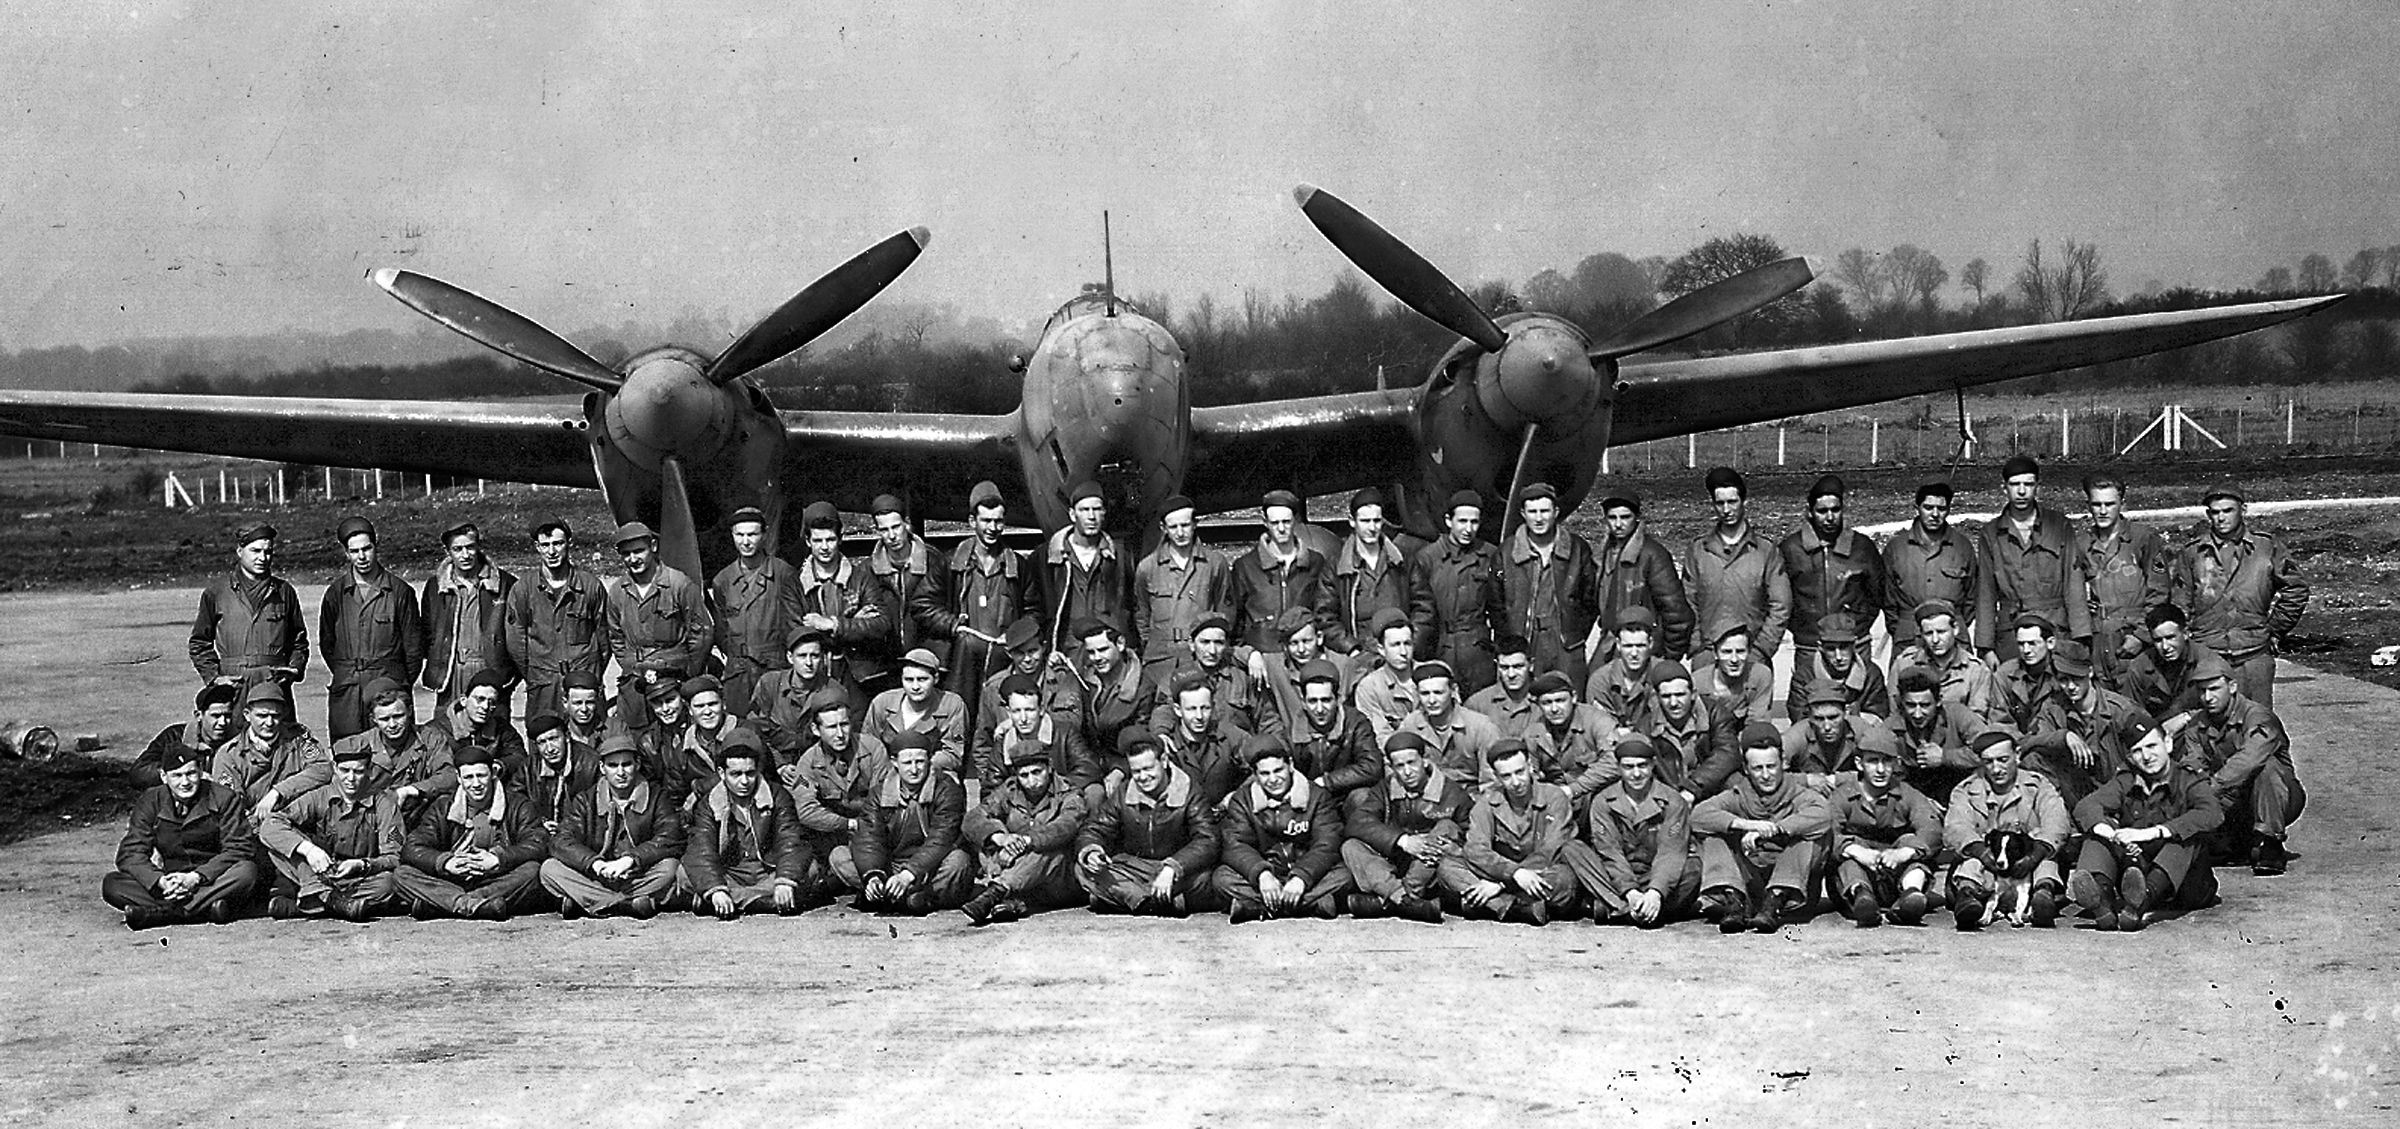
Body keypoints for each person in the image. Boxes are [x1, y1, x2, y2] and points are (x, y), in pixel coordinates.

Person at [2069, 711, 2224, 931]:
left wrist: (2154, 832)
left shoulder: (2188, 779)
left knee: (2188, 834)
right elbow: (2086, 806)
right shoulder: (2127, 781)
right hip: (2139, 872)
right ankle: (2102, 901)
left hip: (2187, 887)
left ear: (2168, 743)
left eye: (2152, 746)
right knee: (2099, 832)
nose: (2147, 756)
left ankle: (2141, 901)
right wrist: (2111, 833)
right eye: (2137, 751)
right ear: (2130, 758)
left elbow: (2212, 813)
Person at [2170, 485, 2310, 707]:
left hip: (2253, 654)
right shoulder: (2193, 553)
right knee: (2206, 724)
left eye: (2228, 510)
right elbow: (2180, 602)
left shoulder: (2266, 547)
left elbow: (2296, 589)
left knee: (2259, 726)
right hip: (2208, 653)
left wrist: (2275, 628)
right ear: (2208, 515)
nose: (2221, 518)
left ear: (2243, 510)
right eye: (2215, 512)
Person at [2176, 650, 2306, 875]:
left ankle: (2271, 843)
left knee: (2265, 768)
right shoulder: (2196, 726)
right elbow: (2193, 764)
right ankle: (2237, 840)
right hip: (2231, 801)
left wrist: (2212, 789)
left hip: (2280, 798)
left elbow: (2249, 759)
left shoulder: (2258, 717)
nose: (2208, 697)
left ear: (2233, 687)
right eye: (2202, 691)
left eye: (2215, 689)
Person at [1690, 730, 1833, 934]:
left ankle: (1776, 897)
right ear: (1746, 769)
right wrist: (1748, 825)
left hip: (1794, 896)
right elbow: (1699, 815)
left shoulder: (1800, 793)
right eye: (1758, 768)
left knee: (1812, 836)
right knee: (1712, 834)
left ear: (1783, 763)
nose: (1766, 775)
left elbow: (1823, 815)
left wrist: (1774, 829)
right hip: (1752, 885)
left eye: (1771, 766)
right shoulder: (1738, 794)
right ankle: (1733, 901)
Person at [103, 745, 261, 928]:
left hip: (211, 879)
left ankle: (163, 914)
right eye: (177, 776)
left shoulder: (224, 798)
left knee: (246, 872)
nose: (185, 782)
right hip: (170, 883)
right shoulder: (150, 800)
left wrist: (195, 878)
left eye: (191, 774)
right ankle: (204, 910)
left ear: (201, 772)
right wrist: (159, 881)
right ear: (164, 777)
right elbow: (130, 853)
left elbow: (239, 847)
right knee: (112, 884)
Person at [915, 481, 1042, 701]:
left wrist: (1016, 636)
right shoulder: (951, 563)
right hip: (962, 661)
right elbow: (921, 605)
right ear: (973, 521)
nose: (993, 528)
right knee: (962, 715)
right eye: (986, 521)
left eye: (999, 521)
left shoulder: (1018, 566)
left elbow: (1035, 611)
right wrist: (953, 626)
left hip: (1005, 658)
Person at [395, 745, 551, 920]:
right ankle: (476, 905)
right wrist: (446, 862)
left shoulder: (517, 804)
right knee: (402, 874)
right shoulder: (443, 806)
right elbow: (412, 846)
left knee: (532, 871)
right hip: (452, 879)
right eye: (468, 777)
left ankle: (446, 904)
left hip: (497, 879)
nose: (476, 784)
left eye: (481, 776)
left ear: (493, 773)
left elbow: (537, 843)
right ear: (459, 778)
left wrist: (498, 859)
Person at [540, 734, 685, 919]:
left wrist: (631, 860)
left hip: (638, 875)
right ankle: (625, 905)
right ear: (602, 768)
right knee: (549, 869)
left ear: (637, 765)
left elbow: (670, 837)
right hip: (597, 876)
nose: (621, 772)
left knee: (671, 868)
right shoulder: (586, 800)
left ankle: (591, 903)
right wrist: (595, 863)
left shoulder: (657, 797)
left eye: (626, 764)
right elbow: (562, 840)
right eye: (613, 765)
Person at [1076, 734, 1221, 916]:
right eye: (1136, 771)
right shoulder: (1123, 793)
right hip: (1136, 869)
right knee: (1083, 869)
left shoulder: (1190, 791)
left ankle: (1123, 899)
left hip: (1178, 870)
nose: (1143, 777)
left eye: (1148, 768)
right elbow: (1096, 828)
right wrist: (1092, 852)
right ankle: (1154, 903)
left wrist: (1173, 867)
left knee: (1206, 879)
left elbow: (1207, 839)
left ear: (1164, 761)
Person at [259, 742, 406, 920]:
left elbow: (394, 857)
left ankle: (313, 903)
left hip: (357, 879)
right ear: (335, 768)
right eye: (345, 771)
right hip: (317, 873)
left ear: (369, 771)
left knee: (389, 884)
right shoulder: (319, 797)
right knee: (280, 845)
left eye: (358, 772)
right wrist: (309, 850)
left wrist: (362, 864)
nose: (350, 778)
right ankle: (333, 901)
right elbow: (271, 824)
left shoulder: (384, 805)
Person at [1941, 730, 2071, 930]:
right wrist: (1981, 852)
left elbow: (2057, 822)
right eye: (1988, 762)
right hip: (1988, 868)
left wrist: (2035, 854)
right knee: (1971, 863)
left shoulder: (2038, 786)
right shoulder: (1966, 790)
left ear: (2017, 755)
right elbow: (1956, 827)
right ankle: (1968, 898)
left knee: (2046, 861)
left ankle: (2042, 896)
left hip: (2027, 868)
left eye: (2003, 760)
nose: (1996, 769)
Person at [1445, 741, 1582, 925]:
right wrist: (1513, 873)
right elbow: (1476, 849)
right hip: (1503, 873)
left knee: (1564, 880)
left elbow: (1552, 849)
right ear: (1496, 777)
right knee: (1448, 867)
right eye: (1506, 776)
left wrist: (1502, 884)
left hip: (1538, 872)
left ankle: (1490, 905)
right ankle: (1518, 908)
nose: (1516, 782)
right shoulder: (1487, 803)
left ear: (1530, 767)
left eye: (1520, 772)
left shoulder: (1554, 797)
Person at [1214, 741, 1352, 922]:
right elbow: (1236, 844)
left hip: (1306, 873)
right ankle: (1308, 905)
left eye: (1278, 770)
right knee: (1221, 878)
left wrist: (1301, 877)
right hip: (1267, 875)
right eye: (1264, 773)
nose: (1273, 779)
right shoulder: (1242, 800)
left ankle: (1258, 908)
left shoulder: (1317, 795)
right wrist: (1262, 874)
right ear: (1255, 775)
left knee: (1344, 876)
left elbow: (1327, 843)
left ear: (1290, 766)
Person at [835, 732, 972, 914]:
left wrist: (908, 875)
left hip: (931, 867)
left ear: (930, 760)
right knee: (839, 856)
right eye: (907, 763)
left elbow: (941, 839)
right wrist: (873, 876)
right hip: (892, 867)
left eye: (920, 762)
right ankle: (897, 897)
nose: (914, 769)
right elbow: (869, 838)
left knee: (958, 861)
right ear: (894, 762)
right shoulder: (879, 793)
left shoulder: (947, 790)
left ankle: (917, 898)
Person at [1973, 455, 2089, 664]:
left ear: (2038, 487)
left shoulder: (2059, 526)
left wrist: (2080, 637)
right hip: (2012, 633)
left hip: (2053, 629)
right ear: (2004, 487)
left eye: (2028, 484)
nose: (2021, 491)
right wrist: (1985, 646)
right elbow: (1986, 592)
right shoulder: (1991, 533)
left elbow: (2074, 583)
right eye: (2015, 484)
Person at [1339, 731, 1465, 923]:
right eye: (1400, 766)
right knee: (1350, 846)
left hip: (1429, 872)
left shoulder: (1452, 792)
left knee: (1446, 827)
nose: (1407, 771)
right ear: (1392, 767)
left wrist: (1456, 849)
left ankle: (1395, 899)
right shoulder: (1385, 788)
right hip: (1396, 864)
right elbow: (1358, 821)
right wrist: (1402, 841)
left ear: (1424, 760)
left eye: (1411, 762)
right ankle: (1405, 900)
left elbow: (1471, 831)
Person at [1575, 736, 1700, 927]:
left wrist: (1655, 892)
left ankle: (1620, 909)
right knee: (1573, 850)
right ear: (1618, 768)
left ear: (1653, 766)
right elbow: (1610, 852)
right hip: (1618, 877)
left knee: (1692, 868)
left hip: (1656, 874)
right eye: (1628, 767)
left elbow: (1671, 852)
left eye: (1642, 766)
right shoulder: (1603, 801)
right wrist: (1630, 892)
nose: (1636, 774)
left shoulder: (1673, 800)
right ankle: (1637, 910)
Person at [317, 515, 423, 740]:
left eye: (367, 549)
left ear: (376, 547)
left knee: (393, 752)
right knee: (348, 752)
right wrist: (347, 673)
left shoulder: (399, 592)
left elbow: (413, 649)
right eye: (354, 551)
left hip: (388, 684)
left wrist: (397, 683)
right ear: (346, 554)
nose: (362, 557)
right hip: (348, 690)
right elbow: (327, 644)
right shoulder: (336, 593)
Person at [1681, 467, 1791, 677]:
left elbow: (1781, 605)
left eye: (1732, 502)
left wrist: (1761, 650)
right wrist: (1698, 646)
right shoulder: (1698, 550)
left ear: (1744, 502)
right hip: (1707, 656)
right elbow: (1687, 601)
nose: (1726, 509)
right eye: (1720, 503)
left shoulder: (1765, 551)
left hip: (1752, 658)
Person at [960, 744, 1088, 924]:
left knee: (1047, 850)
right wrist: (1001, 838)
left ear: (1049, 768)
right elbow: (973, 818)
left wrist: (1025, 842)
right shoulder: (1010, 790)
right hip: (1018, 870)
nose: (1032, 781)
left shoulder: (1069, 793)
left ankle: (997, 891)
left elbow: (1065, 826)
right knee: (991, 828)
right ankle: (1011, 902)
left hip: (1059, 877)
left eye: (1037, 772)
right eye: (1024, 775)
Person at [1779, 474, 1889, 682]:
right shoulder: (1791, 549)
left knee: (1857, 703)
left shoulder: (1862, 548)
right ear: (1810, 512)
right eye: (1822, 511)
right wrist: (1802, 628)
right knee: (1811, 705)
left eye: (1835, 510)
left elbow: (1877, 594)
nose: (1830, 517)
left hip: (1854, 645)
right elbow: (1781, 597)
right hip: (1810, 646)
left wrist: (1856, 626)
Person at [782, 688, 893, 891]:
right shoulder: (807, 764)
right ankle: (878, 888)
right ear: (816, 730)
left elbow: (886, 798)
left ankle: (878, 885)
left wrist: (866, 827)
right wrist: (848, 824)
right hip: (835, 837)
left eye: (844, 724)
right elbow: (805, 811)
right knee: (838, 860)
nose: (840, 734)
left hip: (875, 833)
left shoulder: (873, 749)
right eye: (832, 727)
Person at [605, 521, 712, 731]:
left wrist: (688, 671)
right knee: (636, 736)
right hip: (636, 681)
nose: (633, 559)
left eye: (639, 551)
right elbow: (616, 636)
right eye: (626, 554)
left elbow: (701, 632)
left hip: (674, 677)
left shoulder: (678, 584)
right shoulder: (618, 591)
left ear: (653, 546)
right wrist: (630, 664)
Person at [1827, 732, 1942, 927]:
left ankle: (1910, 896)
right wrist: (1856, 851)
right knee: (1848, 855)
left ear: (1895, 764)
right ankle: (1862, 899)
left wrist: (1904, 853)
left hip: (1895, 875)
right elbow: (1827, 833)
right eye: (1872, 762)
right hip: (1854, 879)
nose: (1880, 770)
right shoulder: (1842, 796)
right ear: (1858, 763)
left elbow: (1932, 830)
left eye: (1887, 762)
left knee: (1909, 840)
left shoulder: (1907, 794)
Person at [683, 740, 807, 919]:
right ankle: (764, 903)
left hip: (769, 871)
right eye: (736, 774)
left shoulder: (777, 795)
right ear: (721, 773)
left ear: (758, 771)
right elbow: (701, 849)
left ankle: (732, 903)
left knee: (809, 870)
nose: (744, 781)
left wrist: (784, 880)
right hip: (730, 875)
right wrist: (716, 889)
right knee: (684, 874)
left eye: (750, 773)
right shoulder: (709, 803)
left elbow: (790, 838)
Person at [504, 518, 610, 722]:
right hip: (544, 686)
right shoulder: (523, 590)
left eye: (558, 544)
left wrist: (589, 672)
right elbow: (517, 644)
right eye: (545, 545)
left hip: (584, 685)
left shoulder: (590, 586)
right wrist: (538, 673)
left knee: (592, 741)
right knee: (545, 742)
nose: (552, 551)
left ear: (569, 543)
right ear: (537, 547)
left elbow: (604, 639)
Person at [793, 501, 899, 700]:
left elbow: (882, 624)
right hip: (816, 673)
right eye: (818, 540)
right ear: (808, 541)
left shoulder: (860, 577)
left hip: (858, 673)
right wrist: (855, 622)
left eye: (831, 539)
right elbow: (797, 633)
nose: (824, 547)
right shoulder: (797, 583)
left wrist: (832, 624)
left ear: (840, 539)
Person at [2073, 475, 2171, 689]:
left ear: (2121, 504)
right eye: (2096, 504)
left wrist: (2141, 636)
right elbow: (2074, 593)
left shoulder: (2142, 539)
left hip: (2132, 637)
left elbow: (2160, 593)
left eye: (2109, 504)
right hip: (2099, 640)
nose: (2102, 511)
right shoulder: (2082, 544)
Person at [2016, 645, 2143, 807]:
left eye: (2076, 678)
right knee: (2034, 758)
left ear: (2090, 672)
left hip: (2121, 792)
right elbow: (2025, 744)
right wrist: (2063, 736)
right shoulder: (2054, 709)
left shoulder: (2120, 710)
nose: (2070, 686)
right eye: (2063, 680)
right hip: (2079, 792)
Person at [1503, 482, 1603, 687]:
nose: (1539, 518)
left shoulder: (1576, 548)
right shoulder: (1507, 552)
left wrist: (1575, 633)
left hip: (1565, 642)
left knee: (1568, 694)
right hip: (1526, 641)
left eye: (1544, 511)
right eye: (1532, 511)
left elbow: (1590, 598)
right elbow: (1497, 603)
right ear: (1523, 513)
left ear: (1556, 512)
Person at [189, 519, 308, 689]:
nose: (262, 558)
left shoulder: (284, 591)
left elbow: (299, 641)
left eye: (268, 552)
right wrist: (214, 677)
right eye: (255, 551)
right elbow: (199, 642)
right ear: (239, 551)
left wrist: (294, 669)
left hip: (273, 683)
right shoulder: (217, 592)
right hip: (233, 683)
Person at [1410, 489, 1507, 694]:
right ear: (1448, 520)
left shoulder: (1490, 555)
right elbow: (1418, 608)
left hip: (1478, 653)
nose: (1468, 529)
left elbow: (1500, 607)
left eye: (1474, 522)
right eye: (1462, 521)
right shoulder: (1427, 558)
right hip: (1441, 649)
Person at [710, 506, 804, 713]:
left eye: (752, 534)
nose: (745, 541)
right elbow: (721, 629)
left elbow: (795, 626)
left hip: (774, 670)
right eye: (739, 535)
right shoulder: (723, 580)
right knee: (740, 731)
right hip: (738, 674)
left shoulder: (783, 574)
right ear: (732, 535)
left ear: (764, 534)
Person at [421, 521, 517, 717]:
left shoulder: (506, 584)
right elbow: (428, 634)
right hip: (451, 672)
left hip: (488, 670)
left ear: (478, 546)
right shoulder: (435, 587)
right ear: (448, 551)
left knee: (492, 734)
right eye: (458, 549)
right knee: (448, 732)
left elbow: (518, 637)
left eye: (470, 547)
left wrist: (508, 677)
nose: (465, 555)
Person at [1132, 494, 1230, 682]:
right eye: (1173, 527)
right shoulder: (1148, 567)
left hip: (1200, 658)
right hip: (1161, 660)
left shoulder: (1215, 564)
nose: (1180, 532)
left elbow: (1225, 611)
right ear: (1163, 528)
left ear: (1194, 524)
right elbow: (1142, 614)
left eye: (1185, 525)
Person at [968, 618, 1080, 781]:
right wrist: (989, 781)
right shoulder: (993, 688)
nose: (1027, 659)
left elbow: (1073, 722)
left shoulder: (1061, 678)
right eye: (1020, 653)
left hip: (1055, 770)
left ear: (1044, 647)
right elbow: (982, 742)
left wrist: (1014, 721)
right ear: (1008, 653)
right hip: (1011, 775)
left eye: (1033, 651)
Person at [1227, 489, 1330, 664]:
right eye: (1275, 523)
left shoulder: (1315, 562)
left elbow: (1324, 611)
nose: (1281, 528)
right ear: (1265, 522)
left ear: (1295, 521)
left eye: (1286, 522)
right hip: (1262, 660)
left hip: (1304, 657)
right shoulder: (1246, 566)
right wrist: (1247, 654)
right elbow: (1236, 622)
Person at [331, 677, 457, 818]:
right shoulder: (357, 746)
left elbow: (449, 776)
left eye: (398, 716)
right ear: (373, 719)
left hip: (417, 816)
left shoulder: (430, 739)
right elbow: (334, 783)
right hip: (371, 819)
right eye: (384, 719)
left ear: (409, 711)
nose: (392, 725)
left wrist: (411, 790)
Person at [1593, 493, 1694, 664]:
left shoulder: (1653, 555)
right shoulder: (1603, 554)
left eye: (1625, 517)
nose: (1618, 524)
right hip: (1610, 644)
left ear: (1637, 518)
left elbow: (1676, 612)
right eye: (1612, 518)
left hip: (1645, 647)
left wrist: (1669, 658)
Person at [1040, 482, 1137, 655]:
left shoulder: (1122, 557)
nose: (1091, 516)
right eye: (1084, 510)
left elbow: (1134, 605)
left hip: (1109, 650)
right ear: (1072, 514)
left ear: (1104, 513)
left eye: (1097, 509)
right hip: (1069, 651)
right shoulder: (1048, 558)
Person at [1883, 482, 1980, 655]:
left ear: (1949, 510)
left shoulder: (1962, 546)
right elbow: (1887, 599)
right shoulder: (1896, 548)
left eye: (1941, 508)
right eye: (1928, 507)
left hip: (1954, 639)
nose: (1935, 514)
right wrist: (1902, 627)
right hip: (1909, 639)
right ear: (1917, 508)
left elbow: (1972, 596)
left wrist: (1952, 623)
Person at [210, 680, 329, 820]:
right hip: (254, 826)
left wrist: (278, 792)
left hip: (298, 816)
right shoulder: (229, 755)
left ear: (283, 714)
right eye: (262, 716)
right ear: (247, 715)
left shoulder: (298, 737)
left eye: (275, 716)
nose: (269, 723)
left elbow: (323, 769)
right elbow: (231, 806)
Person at [1148, 613, 1278, 737]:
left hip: (1237, 750)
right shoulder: (1178, 677)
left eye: (1218, 643)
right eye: (1205, 642)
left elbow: (1268, 720)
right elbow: (1163, 711)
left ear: (1226, 645)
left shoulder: (1242, 679)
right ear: (1192, 645)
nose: (1212, 651)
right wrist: (1161, 734)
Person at [1322, 487, 1413, 656]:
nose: (1372, 527)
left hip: (1399, 653)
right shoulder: (1336, 566)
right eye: (1365, 521)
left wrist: (1409, 644)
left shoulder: (1403, 562)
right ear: (1352, 521)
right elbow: (1325, 616)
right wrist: (1351, 648)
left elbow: (1424, 607)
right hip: (1358, 655)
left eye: (1377, 521)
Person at [1635, 661, 1743, 800]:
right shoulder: (1646, 727)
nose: (1673, 703)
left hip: (1710, 787)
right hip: (1670, 794)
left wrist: (1692, 788)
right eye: (1666, 696)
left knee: (1736, 782)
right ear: (1657, 698)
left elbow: (1727, 753)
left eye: (1680, 695)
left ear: (1693, 694)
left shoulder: (1715, 713)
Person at [752, 630, 861, 766]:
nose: (809, 663)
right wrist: (779, 765)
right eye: (802, 656)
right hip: (773, 764)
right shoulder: (769, 684)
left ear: (822, 658)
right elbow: (755, 729)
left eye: (814, 656)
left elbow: (841, 736)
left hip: (817, 765)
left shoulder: (834, 690)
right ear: (790, 657)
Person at [1281, 659, 1383, 800]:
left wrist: (1326, 781)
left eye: (1326, 700)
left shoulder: (1355, 723)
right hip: (1312, 800)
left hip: (1347, 795)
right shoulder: (1292, 733)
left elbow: (1372, 766)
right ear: (1303, 702)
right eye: (1312, 701)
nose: (1319, 709)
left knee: (1363, 796)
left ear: (1338, 699)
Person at [989, 673, 1104, 797]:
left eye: (1029, 710)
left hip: (1064, 799)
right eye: (1016, 711)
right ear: (1009, 713)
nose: (1023, 718)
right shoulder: (1004, 742)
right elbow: (991, 788)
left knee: (1095, 792)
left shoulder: (1064, 732)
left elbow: (1088, 768)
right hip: (1022, 807)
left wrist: (1056, 793)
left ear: (1041, 709)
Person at [1888, 665, 1990, 803]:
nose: (1917, 714)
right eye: (1910, 705)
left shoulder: (1957, 714)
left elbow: (1989, 750)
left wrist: (1945, 757)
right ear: (1900, 702)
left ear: (1939, 701)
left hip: (1961, 793)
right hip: (1915, 798)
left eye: (1925, 705)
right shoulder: (1890, 727)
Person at [867, 493, 947, 667]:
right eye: (884, 530)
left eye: (896, 527)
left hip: (929, 652)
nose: (891, 535)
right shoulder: (868, 569)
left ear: (907, 523)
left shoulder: (934, 561)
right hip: (887, 658)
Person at [864, 648, 970, 779]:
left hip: (932, 772)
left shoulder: (951, 705)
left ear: (935, 678)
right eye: (909, 680)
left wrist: (915, 765)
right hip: (888, 773)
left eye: (922, 679)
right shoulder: (883, 703)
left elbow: (954, 754)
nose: (915, 687)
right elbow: (868, 746)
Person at [1397, 660, 1503, 790]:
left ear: (1453, 690)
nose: (1431, 700)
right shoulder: (1410, 725)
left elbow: (1491, 783)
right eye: (1425, 694)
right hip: (1426, 797)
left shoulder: (1481, 727)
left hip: (1470, 797)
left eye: (1438, 693)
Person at [1520, 671, 1621, 806]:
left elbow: (1614, 761)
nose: (1554, 709)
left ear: (1573, 697)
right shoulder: (1533, 733)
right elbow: (1530, 774)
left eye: (1560, 700)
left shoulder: (1597, 721)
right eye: (1547, 703)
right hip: (1556, 800)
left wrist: (1573, 790)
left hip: (1596, 796)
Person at [1063, 617, 1156, 765]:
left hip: (1128, 766)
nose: (1097, 658)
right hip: (1089, 763)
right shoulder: (1083, 679)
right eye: (1091, 652)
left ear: (1120, 644)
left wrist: (1120, 770)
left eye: (1103, 650)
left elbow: (1140, 742)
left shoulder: (1143, 687)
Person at [1886, 599, 1994, 717]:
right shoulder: (1904, 664)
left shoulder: (1976, 670)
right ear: (1921, 634)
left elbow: (1976, 721)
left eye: (1941, 632)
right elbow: (1894, 715)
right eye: (1929, 633)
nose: (1935, 640)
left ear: (1955, 629)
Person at [1156, 677, 1248, 810]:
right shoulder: (1169, 743)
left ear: (1213, 707)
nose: (1199, 716)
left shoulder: (1229, 735)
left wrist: (1238, 796)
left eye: (1205, 708)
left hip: (1224, 817)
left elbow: (1262, 763)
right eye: (1191, 709)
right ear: (1177, 710)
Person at [1782, 684, 1898, 790]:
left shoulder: (1861, 730)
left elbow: (1886, 768)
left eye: (1833, 718)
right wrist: (1806, 780)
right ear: (1810, 717)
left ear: (1845, 712)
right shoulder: (1794, 737)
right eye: (1819, 719)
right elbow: (1770, 775)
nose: (1827, 726)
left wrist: (1839, 779)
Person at [131, 683, 243, 787]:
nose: (223, 722)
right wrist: (186, 772)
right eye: (216, 716)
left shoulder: (238, 742)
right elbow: (139, 773)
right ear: (199, 715)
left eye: (227, 716)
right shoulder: (174, 736)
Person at [2122, 603, 2219, 722]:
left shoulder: (2207, 661)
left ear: (2185, 633)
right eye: (2158, 640)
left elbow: (2221, 707)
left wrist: (2185, 718)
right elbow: (2130, 713)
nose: (2165, 647)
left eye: (2170, 637)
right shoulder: (2140, 666)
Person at [1784, 613, 1888, 723]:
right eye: (1831, 649)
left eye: (1843, 648)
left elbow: (1879, 716)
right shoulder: (1804, 676)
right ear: (1821, 648)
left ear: (1854, 645)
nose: (1838, 657)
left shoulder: (1871, 674)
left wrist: (1856, 717)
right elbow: (1799, 719)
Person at [506, 713, 599, 835]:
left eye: (554, 739)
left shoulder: (590, 763)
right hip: (543, 833)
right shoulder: (529, 767)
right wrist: (539, 823)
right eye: (542, 742)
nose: (550, 749)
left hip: (579, 834)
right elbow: (514, 799)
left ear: (566, 736)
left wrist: (567, 827)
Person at [1989, 613, 2071, 740]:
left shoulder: (2063, 673)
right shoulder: (2005, 674)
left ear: (2050, 643)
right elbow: (2001, 721)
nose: (2026, 650)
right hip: (2017, 745)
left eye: (2032, 643)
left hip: (2053, 742)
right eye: (2021, 644)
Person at [1348, 609, 1421, 744]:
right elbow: (1379, 738)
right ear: (1381, 649)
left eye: (1407, 644)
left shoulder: (1433, 674)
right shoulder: (1370, 688)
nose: (1403, 652)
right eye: (1395, 645)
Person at [1584, 607, 1663, 729]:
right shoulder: (1600, 681)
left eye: (1640, 646)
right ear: (1618, 645)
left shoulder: (1663, 674)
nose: (1634, 653)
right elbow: (1601, 726)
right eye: (1628, 646)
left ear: (1650, 644)